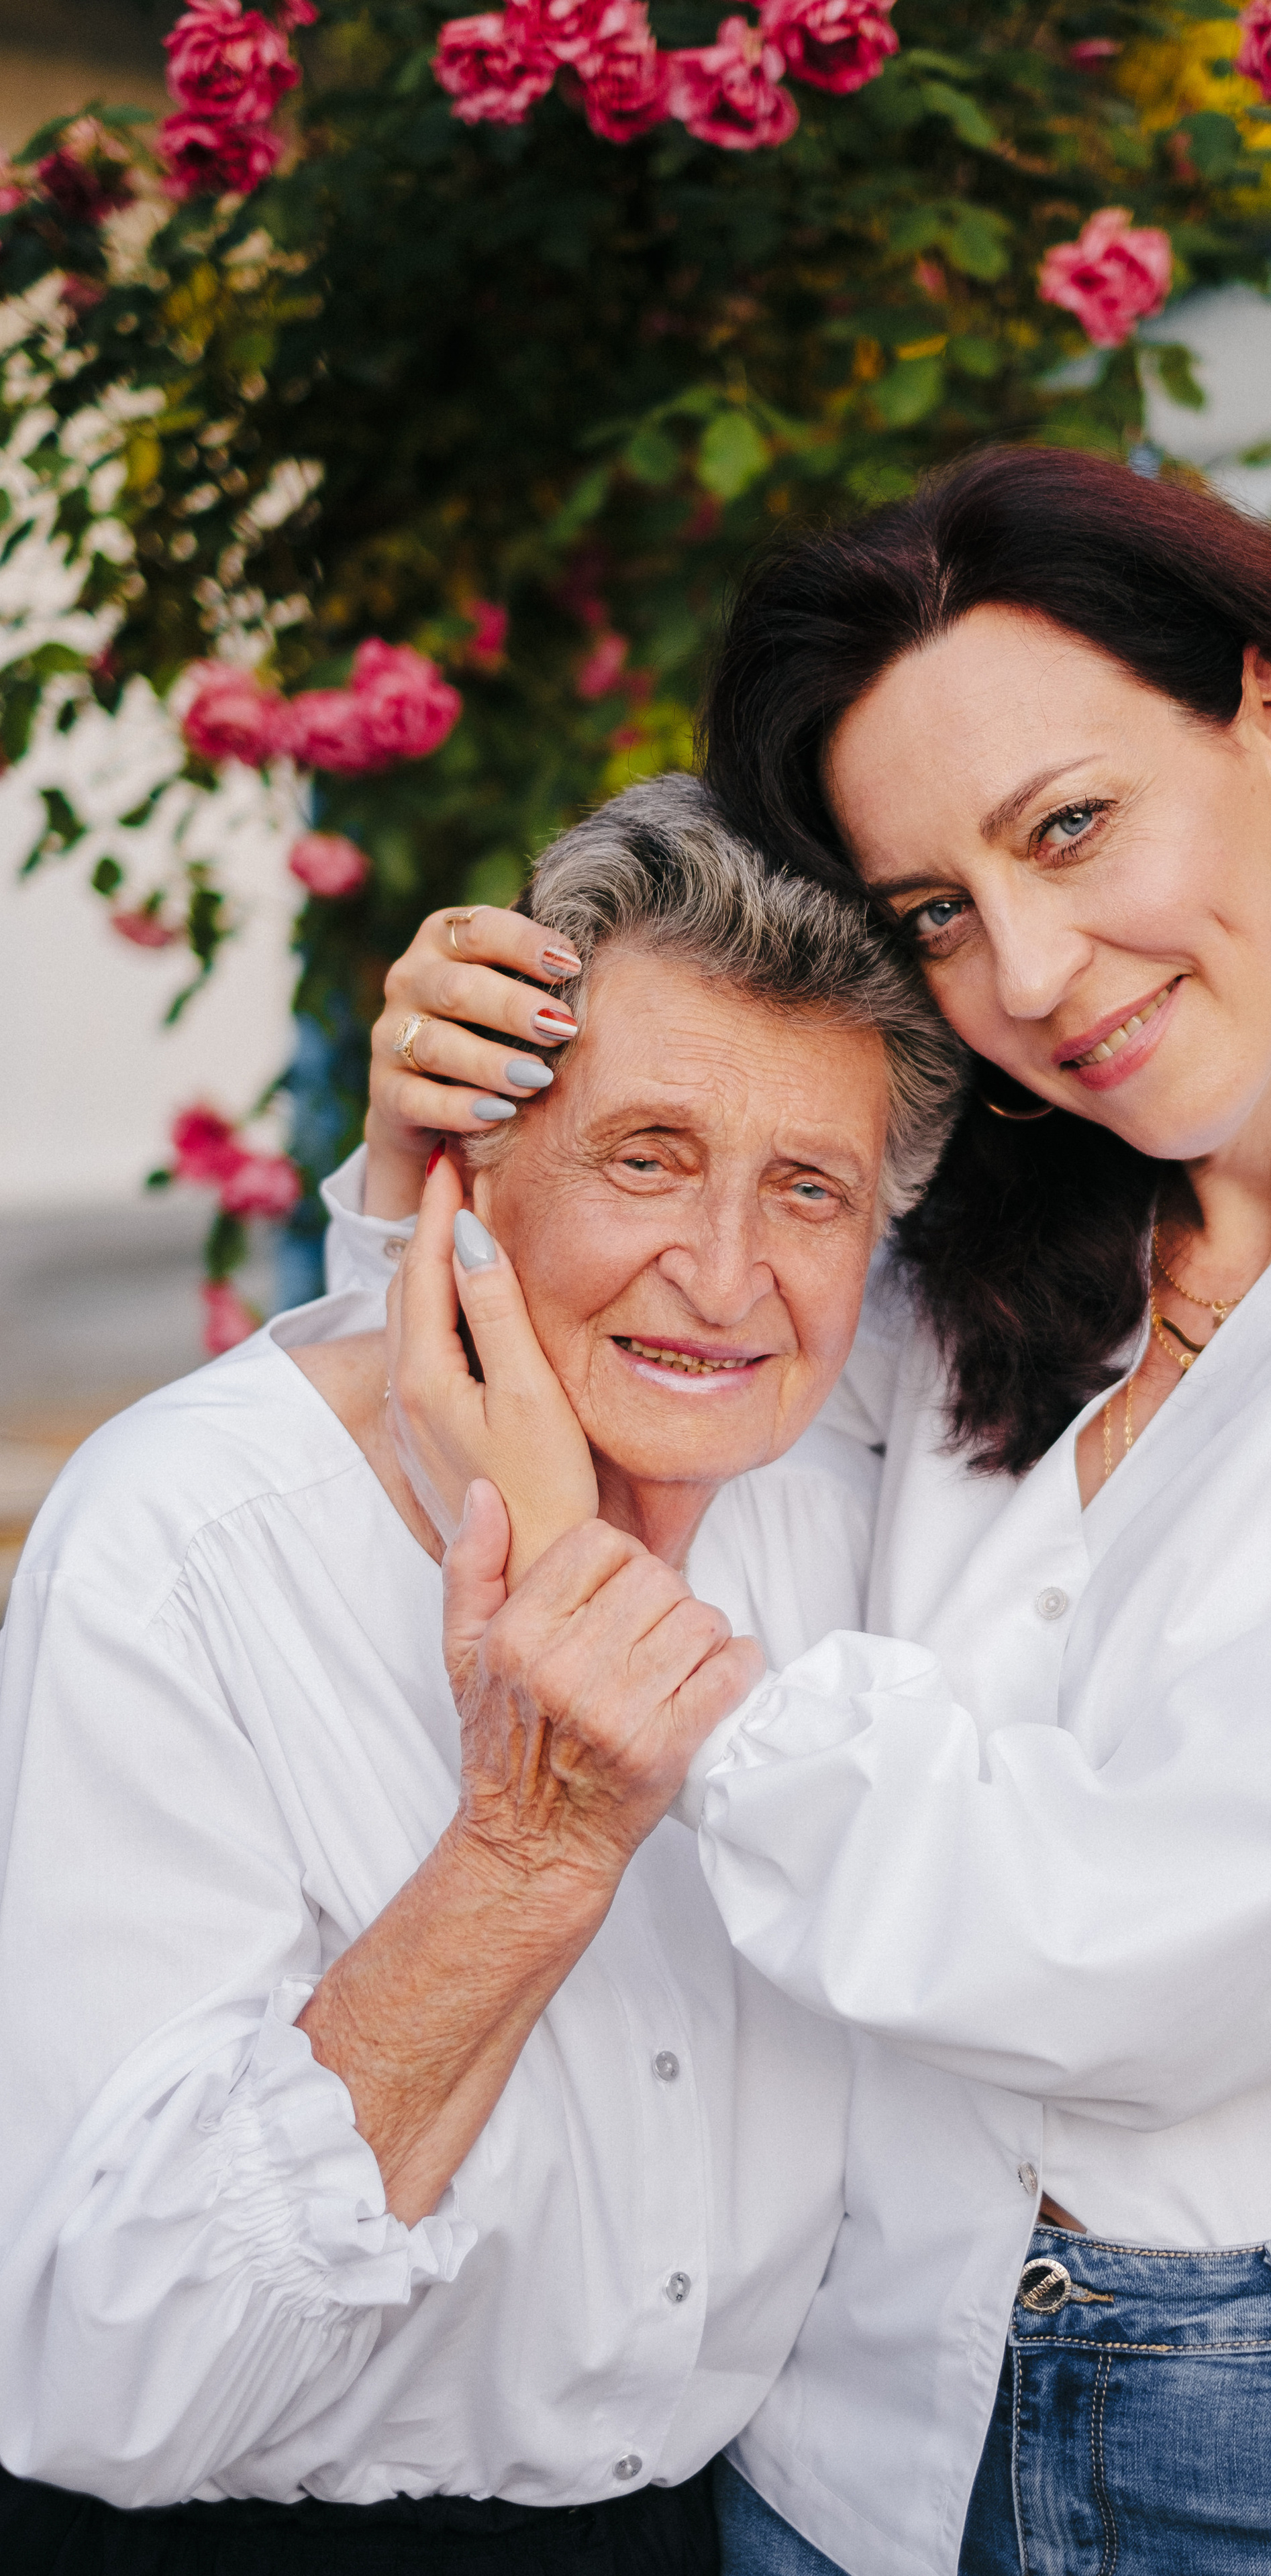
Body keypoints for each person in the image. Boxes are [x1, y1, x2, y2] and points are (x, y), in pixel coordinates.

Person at [351, 447, 1271, 2575]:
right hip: (863, 2404)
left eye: (1071, 826)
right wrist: (423, 1168)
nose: (1038, 969)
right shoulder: (966, 1250)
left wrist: (635, 1653)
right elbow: (577, 1426)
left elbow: (1180, 1935)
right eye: (936, 913)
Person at [0, 776, 963, 2574]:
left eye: (810, 1190)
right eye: (648, 1157)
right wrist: (530, 1850)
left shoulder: (854, 1500)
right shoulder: (191, 1538)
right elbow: (103, 2370)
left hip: (704, 2533)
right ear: (468, 1169)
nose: (726, 1275)